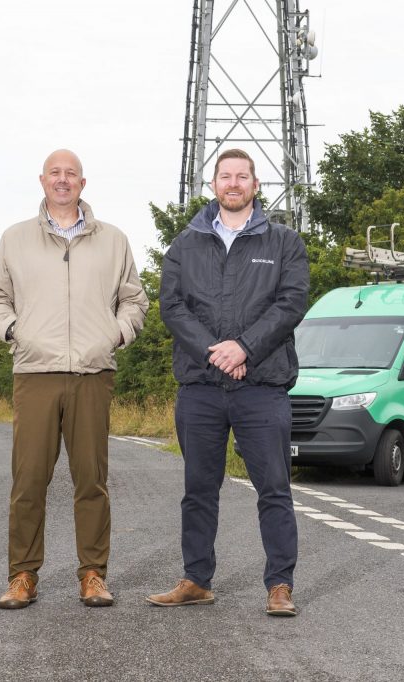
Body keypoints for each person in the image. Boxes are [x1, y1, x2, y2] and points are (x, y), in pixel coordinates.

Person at [0, 149, 148, 609]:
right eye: (55, 172)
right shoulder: (15, 239)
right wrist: (15, 331)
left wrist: (115, 334)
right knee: (29, 479)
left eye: (70, 173)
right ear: (41, 180)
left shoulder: (113, 239)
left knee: (91, 479)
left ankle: (93, 574)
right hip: (35, 372)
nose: (62, 179)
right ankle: (22, 575)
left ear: (83, 183)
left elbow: (134, 300)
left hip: (93, 374)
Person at [148, 149, 309, 616]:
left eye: (242, 177)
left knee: (273, 488)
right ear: (213, 184)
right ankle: (196, 580)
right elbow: (172, 307)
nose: (233, 183)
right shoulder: (185, 244)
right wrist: (217, 352)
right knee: (198, 489)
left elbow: (291, 303)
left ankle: (280, 585)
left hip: (263, 386)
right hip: (200, 388)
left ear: (256, 186)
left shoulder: (284, 243)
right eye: (225, 176)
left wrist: (244, 348)